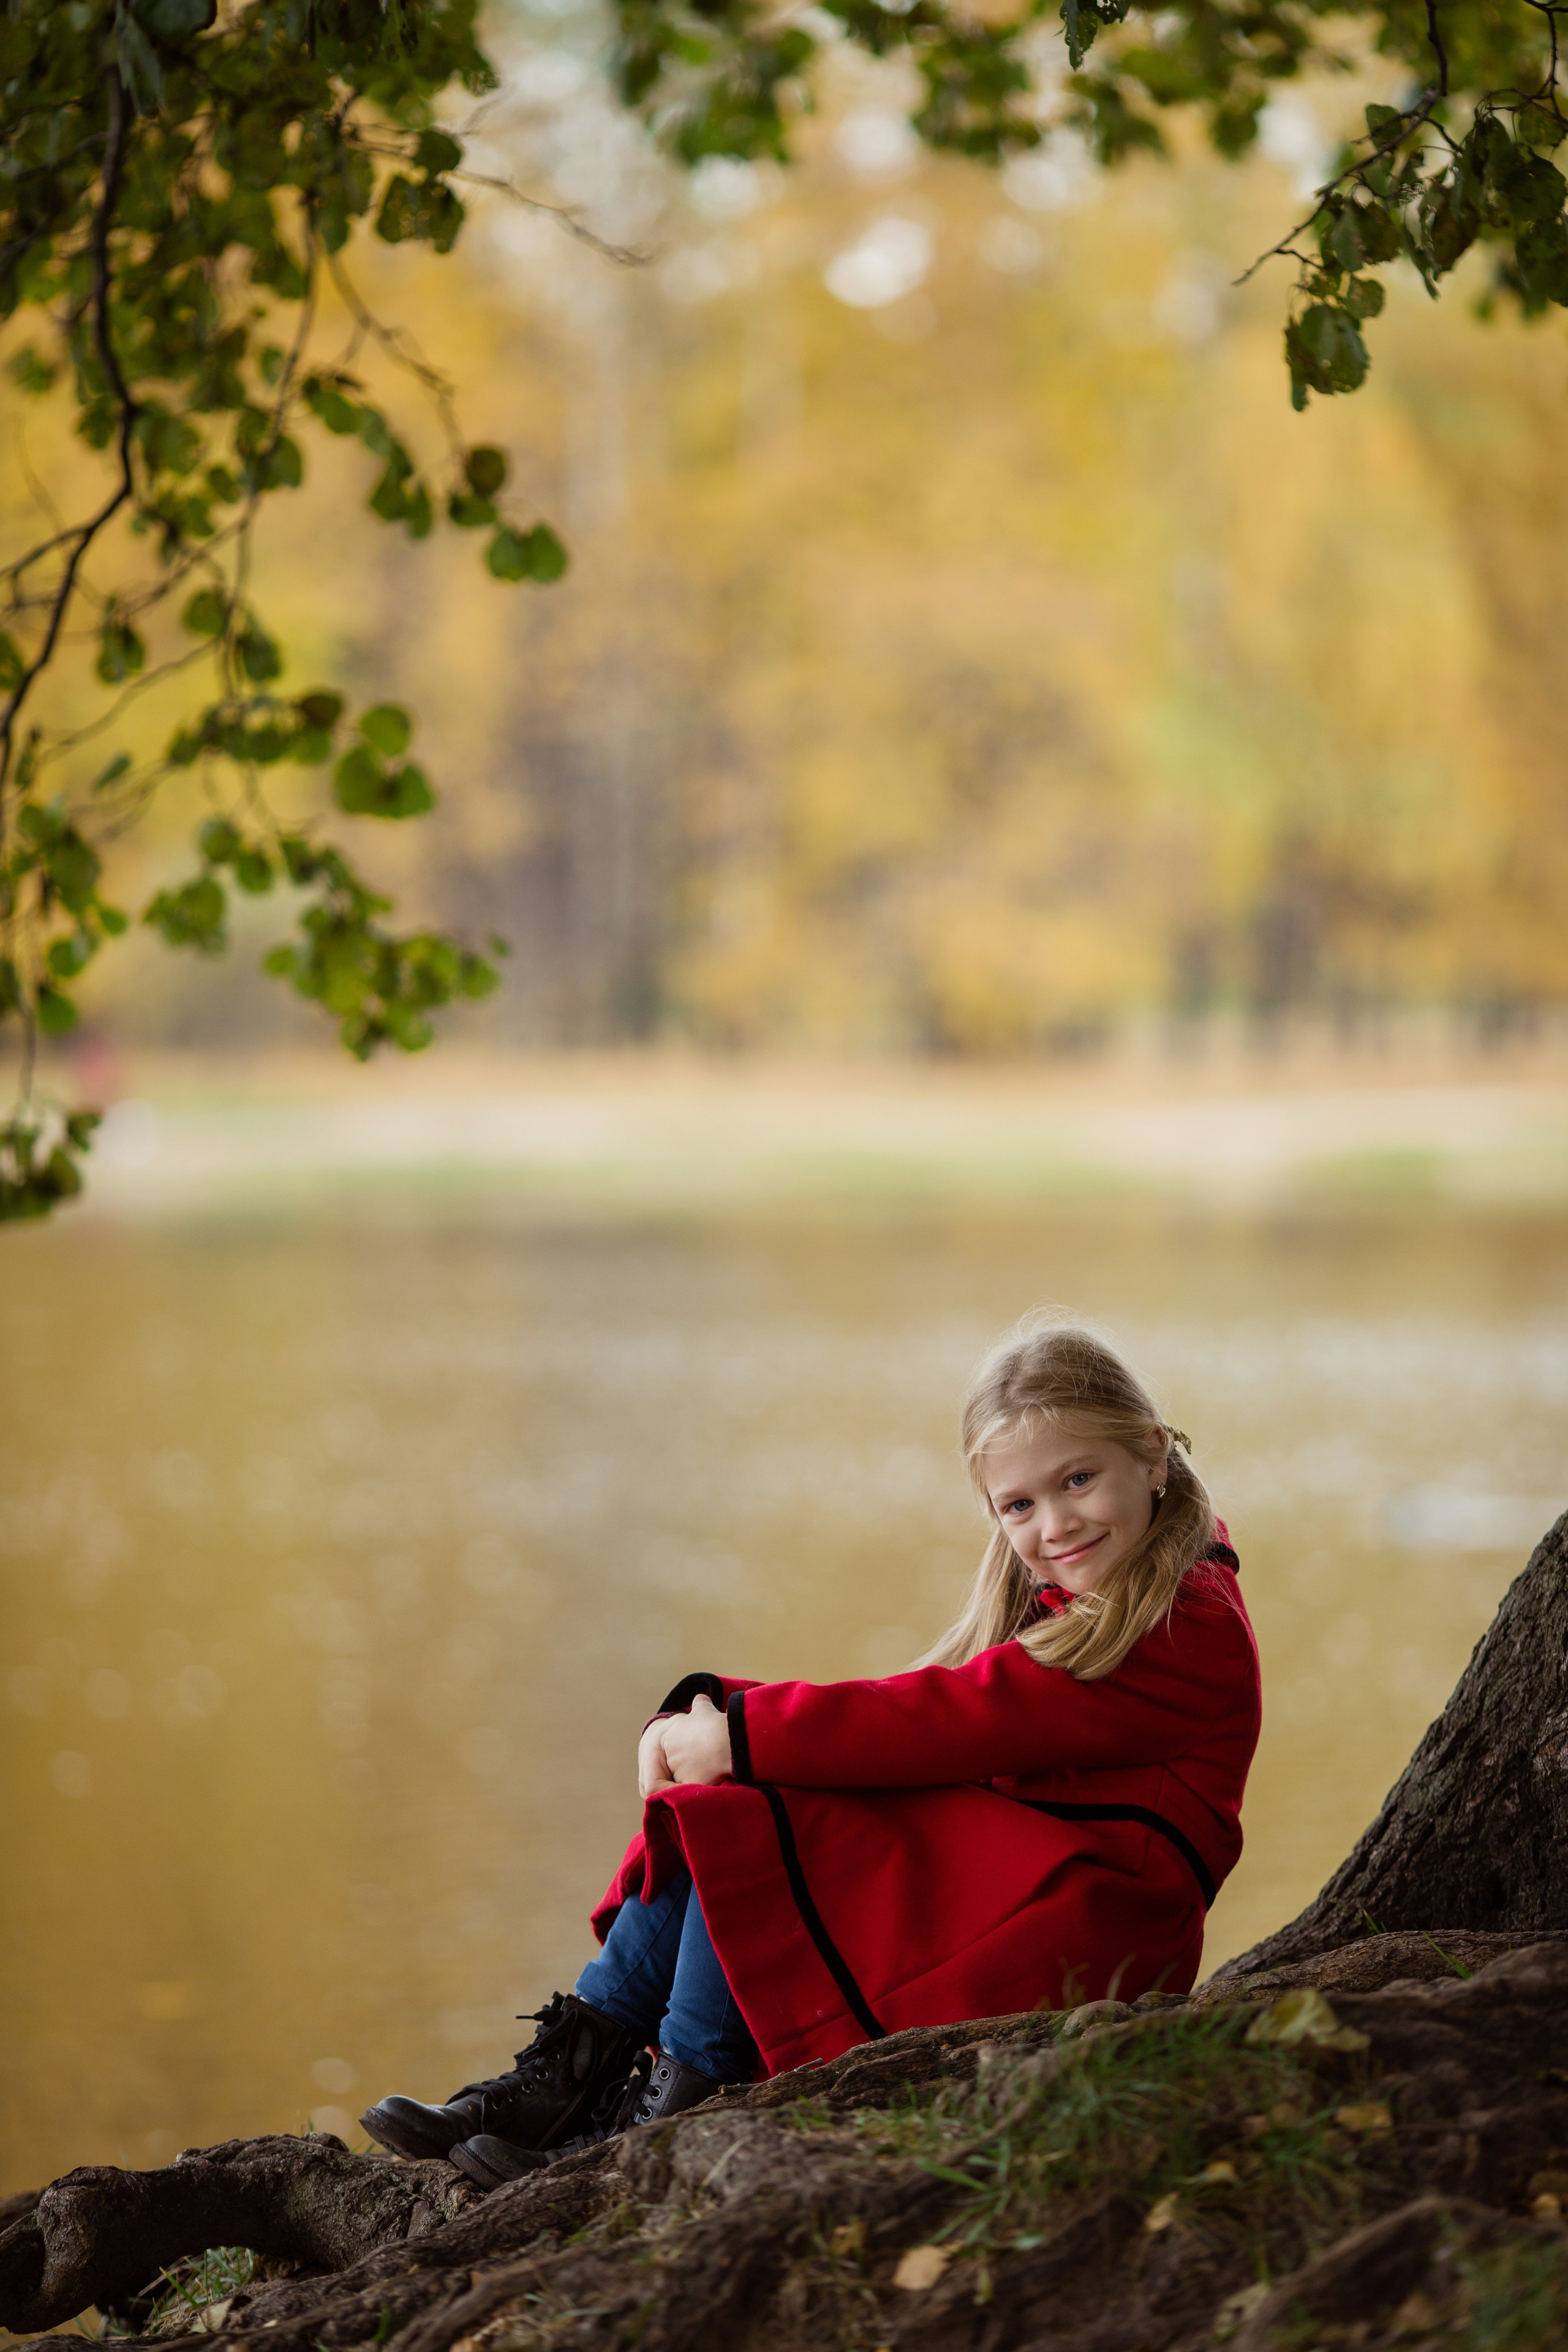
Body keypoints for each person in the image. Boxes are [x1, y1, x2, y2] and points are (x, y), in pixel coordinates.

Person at [362, 1319, 1262, 2188]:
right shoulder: (1109, 1593)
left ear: (1150, 1453)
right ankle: (562, 2083)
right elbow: (935, 1725)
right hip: (1029, 1880)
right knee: (753, 1785)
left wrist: (736, 1737)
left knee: (763, 1807)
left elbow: (950, 1718)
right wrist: (714, 1722)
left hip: (1085, 1933)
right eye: (1020, 1505)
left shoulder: (1187, 1623)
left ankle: (666, 2116)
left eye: (1078, 1479)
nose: (1056, 1522)